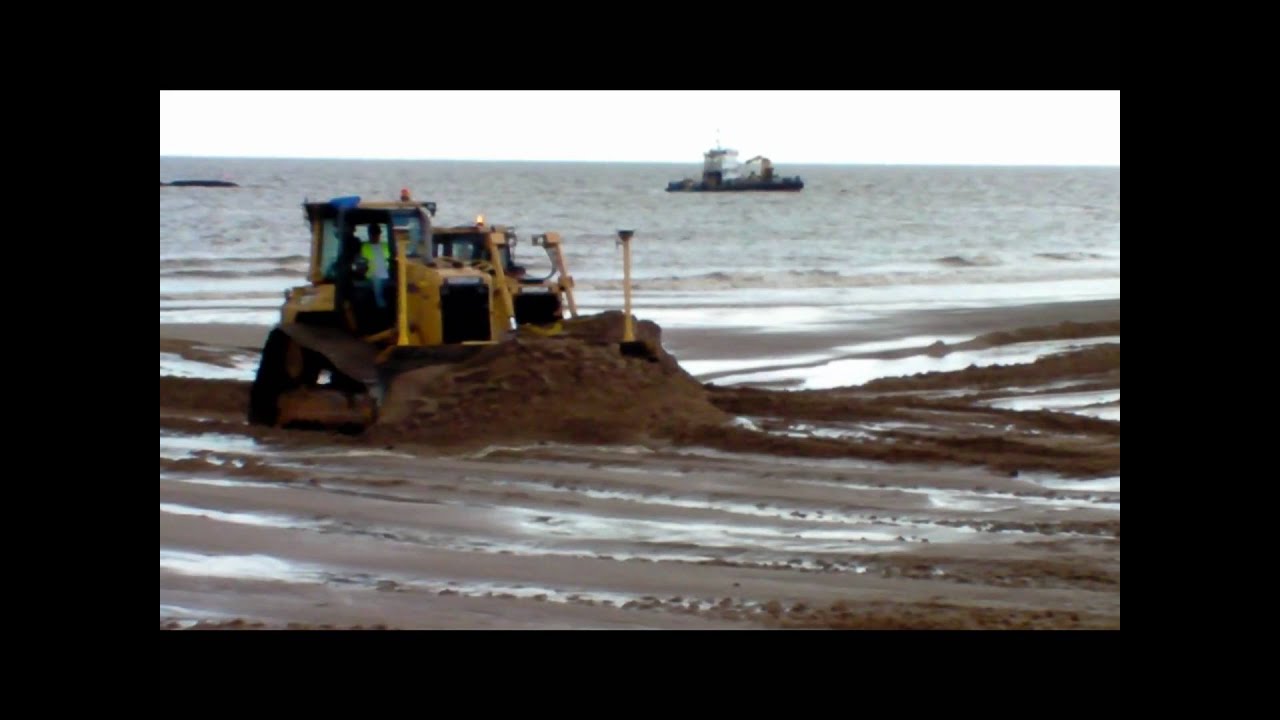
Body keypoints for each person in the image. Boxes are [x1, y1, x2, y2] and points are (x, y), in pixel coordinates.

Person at [360, 224, 391, 309]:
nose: (375, 236)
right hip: (371, 275)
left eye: (377, 234)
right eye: (373, 234)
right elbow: (362, 263)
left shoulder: (385, 246)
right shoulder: (365, 247)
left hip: (386, 274)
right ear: (369, 234)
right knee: (377, 278)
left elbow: (390, 260)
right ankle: (380, 303)